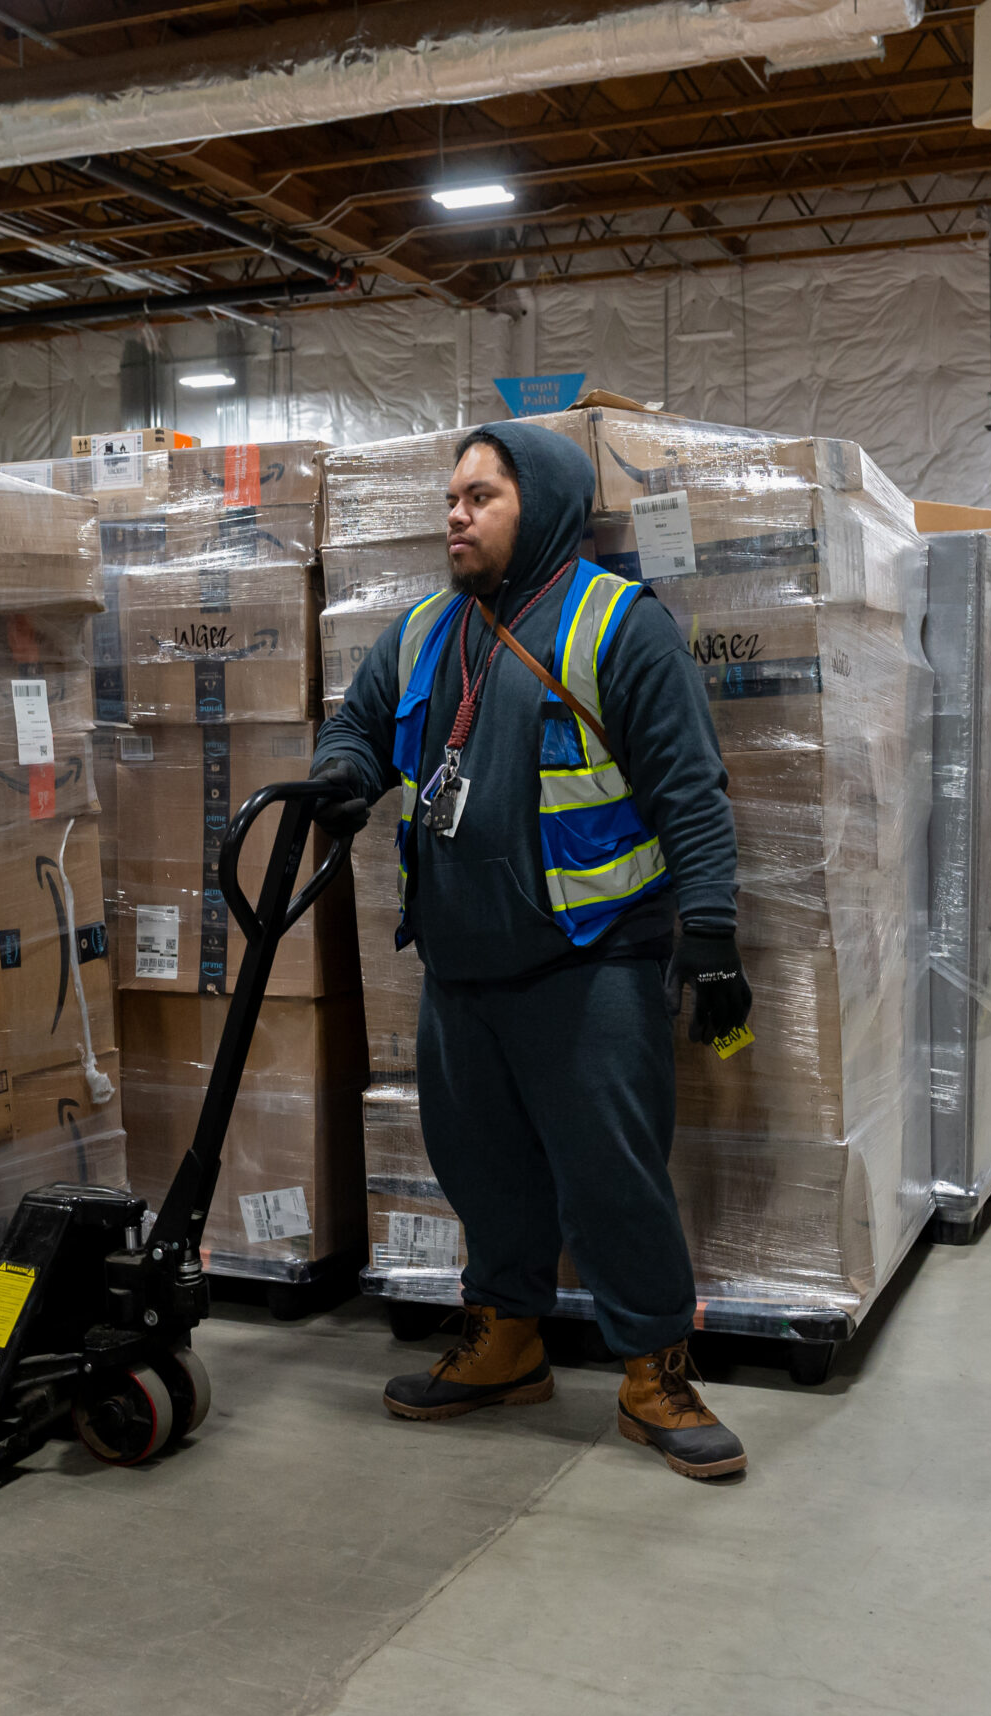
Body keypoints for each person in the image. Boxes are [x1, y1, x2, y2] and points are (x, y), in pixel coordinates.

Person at [306, 421, 753, 1482]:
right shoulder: (421, 631)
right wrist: (339, 772)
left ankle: (653, 1368)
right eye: (451, 498)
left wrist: (715, 934)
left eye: (480, 497)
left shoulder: (617, 627)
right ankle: (506, 1339)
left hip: (589, 958)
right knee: (482, 1167)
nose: (453, 515)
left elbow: (690, 790)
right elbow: (360, 725)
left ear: (541, 505)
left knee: (612, 1174)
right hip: (460, 965)